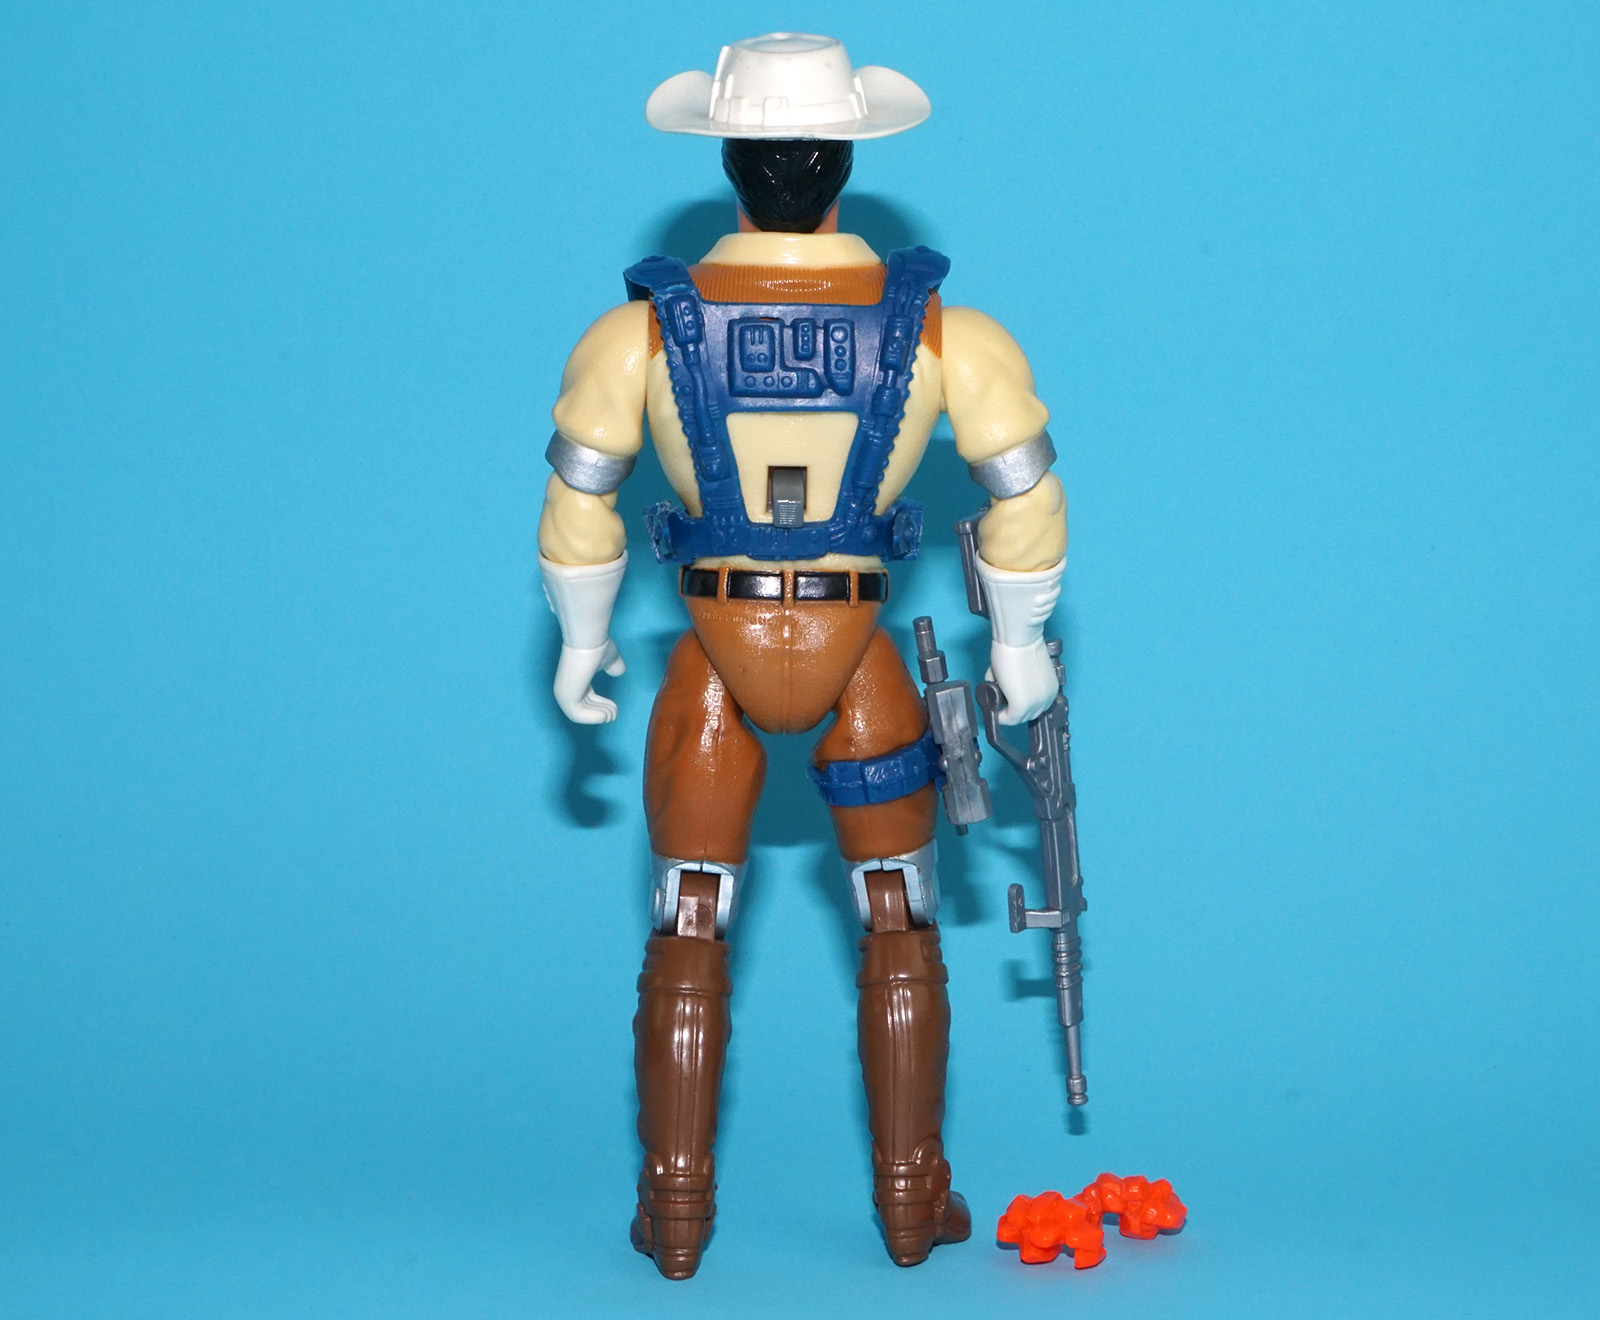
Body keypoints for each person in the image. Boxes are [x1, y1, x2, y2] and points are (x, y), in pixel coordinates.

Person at [537, 34, 1067, 1279]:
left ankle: (674, 1216)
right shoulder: (945, 337)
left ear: (729, 161)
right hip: (857, 654)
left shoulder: (635, 339)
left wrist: (582, 639)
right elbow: (1027, 496)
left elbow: (578, 498)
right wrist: (1020, 641)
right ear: (844, 163)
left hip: (711, 657)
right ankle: (909, 1199)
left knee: (690, 914)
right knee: (899, 912)